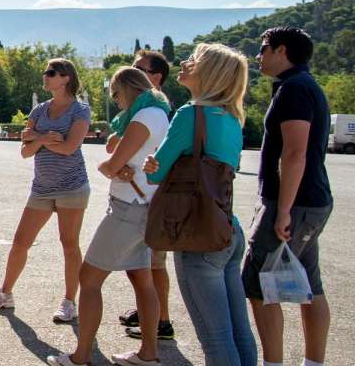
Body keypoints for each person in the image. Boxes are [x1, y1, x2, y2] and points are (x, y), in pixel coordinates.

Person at [143, 43, 257, 366]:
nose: (184, 63)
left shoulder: (189, 115)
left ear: (209, 73)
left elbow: (157, 173)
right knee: (239, 331)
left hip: (198, 235)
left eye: (192, 60)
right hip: (226, 230)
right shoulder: (232, 118)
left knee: (215, 338)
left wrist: (152, 165)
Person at [47, 67, 169, 366]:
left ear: (126, 89)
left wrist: (112, 167)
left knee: (88, 278)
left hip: (129, 206)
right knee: (142, 278)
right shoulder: (162, 114)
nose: (116, 102)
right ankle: (149, 353)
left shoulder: (142, 118)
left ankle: (82, 355)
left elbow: (111, 166)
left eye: (116, 95)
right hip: (149, 204)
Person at [243, 27, 333, 366]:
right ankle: (314, 363)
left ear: (282, 50)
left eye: (263, 49)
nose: (259, 56)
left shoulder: (293, 89)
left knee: (257, 283)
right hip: (311, 200)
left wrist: (282, 210)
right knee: (310, 284)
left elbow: (295, 153)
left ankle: (274, 363)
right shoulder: (304, 85)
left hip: (294, 202)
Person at [0, 58, 91, 324]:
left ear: (66, 78)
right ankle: (5, 293)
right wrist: (43, 139)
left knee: (69, 245)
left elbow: (69, 147)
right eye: (46, 72)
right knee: (21, 241)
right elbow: (24, 150)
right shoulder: (39, 111)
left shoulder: (80, 110)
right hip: (41, 187)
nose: (45, 76)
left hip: (72, 186)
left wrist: (38, 139)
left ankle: (69, 302)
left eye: (51, 73)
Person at [120, 49, 179, 341]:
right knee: (143, 261)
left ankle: (162, 321)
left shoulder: (161, 109)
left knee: (155, 263)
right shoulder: (143, 107)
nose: (133, 72)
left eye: (140, 68)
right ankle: (149, 310)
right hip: (143, 193)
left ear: (156, 77)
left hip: (153, 196)